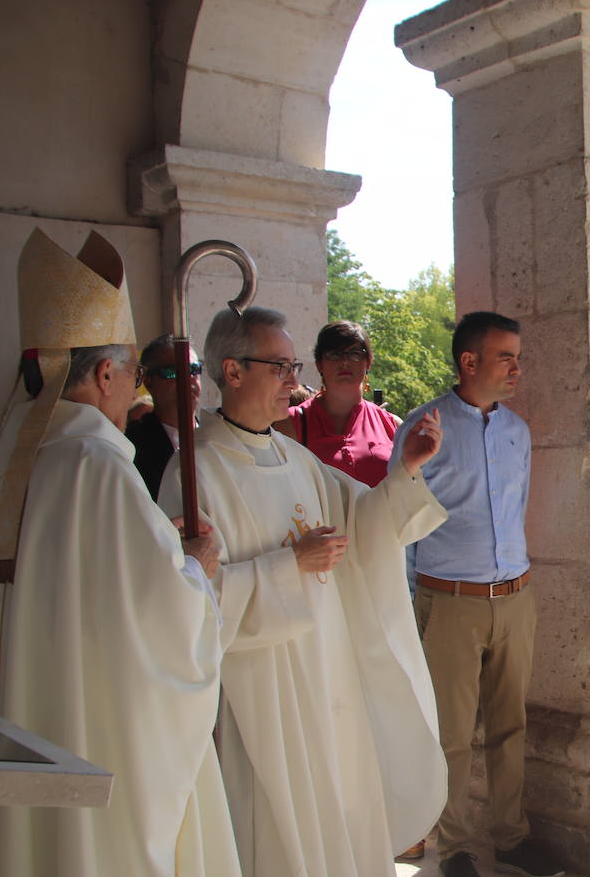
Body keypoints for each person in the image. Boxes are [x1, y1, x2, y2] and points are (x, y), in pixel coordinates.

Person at [159, 305, 449, 876]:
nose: (296, 380)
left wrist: (405, 474)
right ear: (233, 371)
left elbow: (362, 525)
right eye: (282, 366)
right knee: (280, 827)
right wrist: (288, 566)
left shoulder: (295, 458)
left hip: (329, 668)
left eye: (295, 366)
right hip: (264, 686)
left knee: (342, 805)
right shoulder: (195, 473)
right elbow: (190, 599)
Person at [0, 229, 235, 876]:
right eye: (131, 374)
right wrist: (196, 568)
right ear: (104, 374)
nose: (138, 393)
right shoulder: (97, 467)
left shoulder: (13, 465)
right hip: (93, 728)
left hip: (23, 721)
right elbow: (159, 619)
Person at [393, 311, 562, 877]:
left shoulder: (518, 432)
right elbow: (401, 523)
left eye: (518, 355)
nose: (518, 367)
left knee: (511, 725)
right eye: (505, 356)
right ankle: (457, 847)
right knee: (451, 736)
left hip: (515, 599)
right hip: (448, 603)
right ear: (469, 362)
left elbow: (514, 513)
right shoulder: (422, 428)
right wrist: (416, 607)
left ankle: (511, 838)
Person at [273, 320, 399, 488]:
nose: (344, 362)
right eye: (334, 354)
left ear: (368, 362)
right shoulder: (289, 424)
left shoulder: (392, 425)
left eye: (354, 353)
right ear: (319, 364)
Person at [127, 334, 203, 498]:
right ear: (148, 382)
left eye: (193, 369)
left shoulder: (217, 436)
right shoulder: (131, 446)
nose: (188, 379)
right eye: (172, 372)